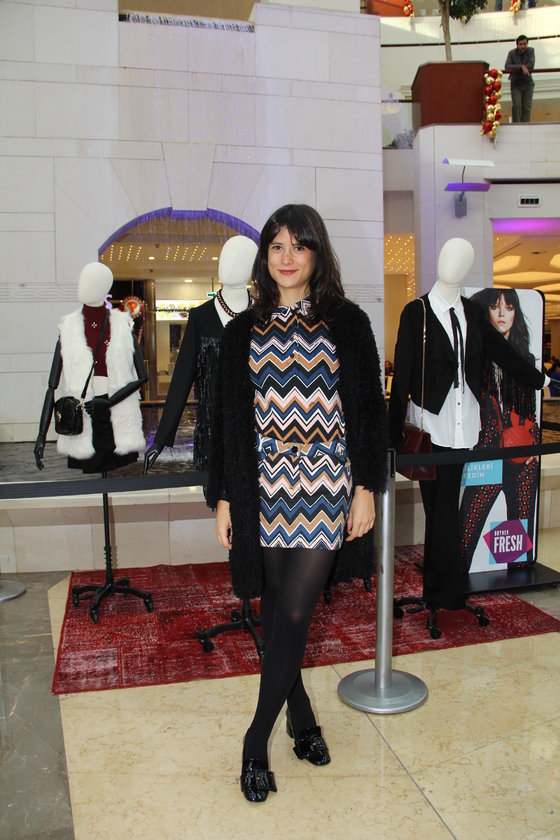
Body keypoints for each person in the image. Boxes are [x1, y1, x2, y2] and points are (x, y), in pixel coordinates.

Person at [206, 204, 387, 802]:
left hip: (326, 484)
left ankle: (254, 740)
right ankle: (301, 715)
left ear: (316, 254)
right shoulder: (243, 331)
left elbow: (370, 411)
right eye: (277, 246)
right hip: (263, 487)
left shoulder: (346, 322)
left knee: (292, 615)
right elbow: (228, 422)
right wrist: (225, 497)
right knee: (275, 606)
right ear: (266, 256)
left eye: (299, 245)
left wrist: (366, 487)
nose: (287, 257)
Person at [388, 239, 547, 619]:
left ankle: (442, 591)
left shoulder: (473, 312)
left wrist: (539, 379)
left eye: (463, 259)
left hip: (466, 427)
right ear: (440, 261)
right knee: (440, 510)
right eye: (450, 257)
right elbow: (403, 372)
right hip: (432, 428)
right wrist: (391, 436)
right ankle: (444, 592)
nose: (454, 264)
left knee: (447, 510)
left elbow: (502, 353)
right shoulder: (417, 312)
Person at [143, 235, 257, 475]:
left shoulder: (263, 316)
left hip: (256, 438)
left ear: (253, 266)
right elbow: (182, 379)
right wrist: (160, 440)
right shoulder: (200, 317)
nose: (228, 265)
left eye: (239, 259)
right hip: (212, 439)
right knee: (217, 498)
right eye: (225, 257)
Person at [34, 262, 146, 473]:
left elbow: (142, 377)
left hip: (115, 414)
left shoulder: (122, 325)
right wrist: (41, 436)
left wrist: (109, 402)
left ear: (104, 288)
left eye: (91, 282)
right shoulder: (68, 328)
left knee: (113, 462)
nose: (82, 287)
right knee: (92, 465)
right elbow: (52, 387)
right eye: (83, 280)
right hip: (82, 414)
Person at [460, 289, 541, 569]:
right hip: (487, 455)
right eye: (495, 307)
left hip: (522, 455)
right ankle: (459, 579)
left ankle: (514, 579)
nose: (503, 313)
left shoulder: (524, 359)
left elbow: (530, 412)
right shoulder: (474, 357)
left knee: (517, 538)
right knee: (466, 536)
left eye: (509, 307)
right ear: (484, 312)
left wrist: (535, 445)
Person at [505, 35, 535, 124]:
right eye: (520, 44)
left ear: (527, 44)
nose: (523, 46)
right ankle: (517, 127)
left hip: (528, 83)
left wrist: (517, 68)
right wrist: (521, 67)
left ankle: (525, 127)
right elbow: (507, 66)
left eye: (524, 44)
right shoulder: (511, 53)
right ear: (517, 45)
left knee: (527, 108)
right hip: (516, 84)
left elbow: (531, 65)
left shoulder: (531, 51)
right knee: (517, 107)